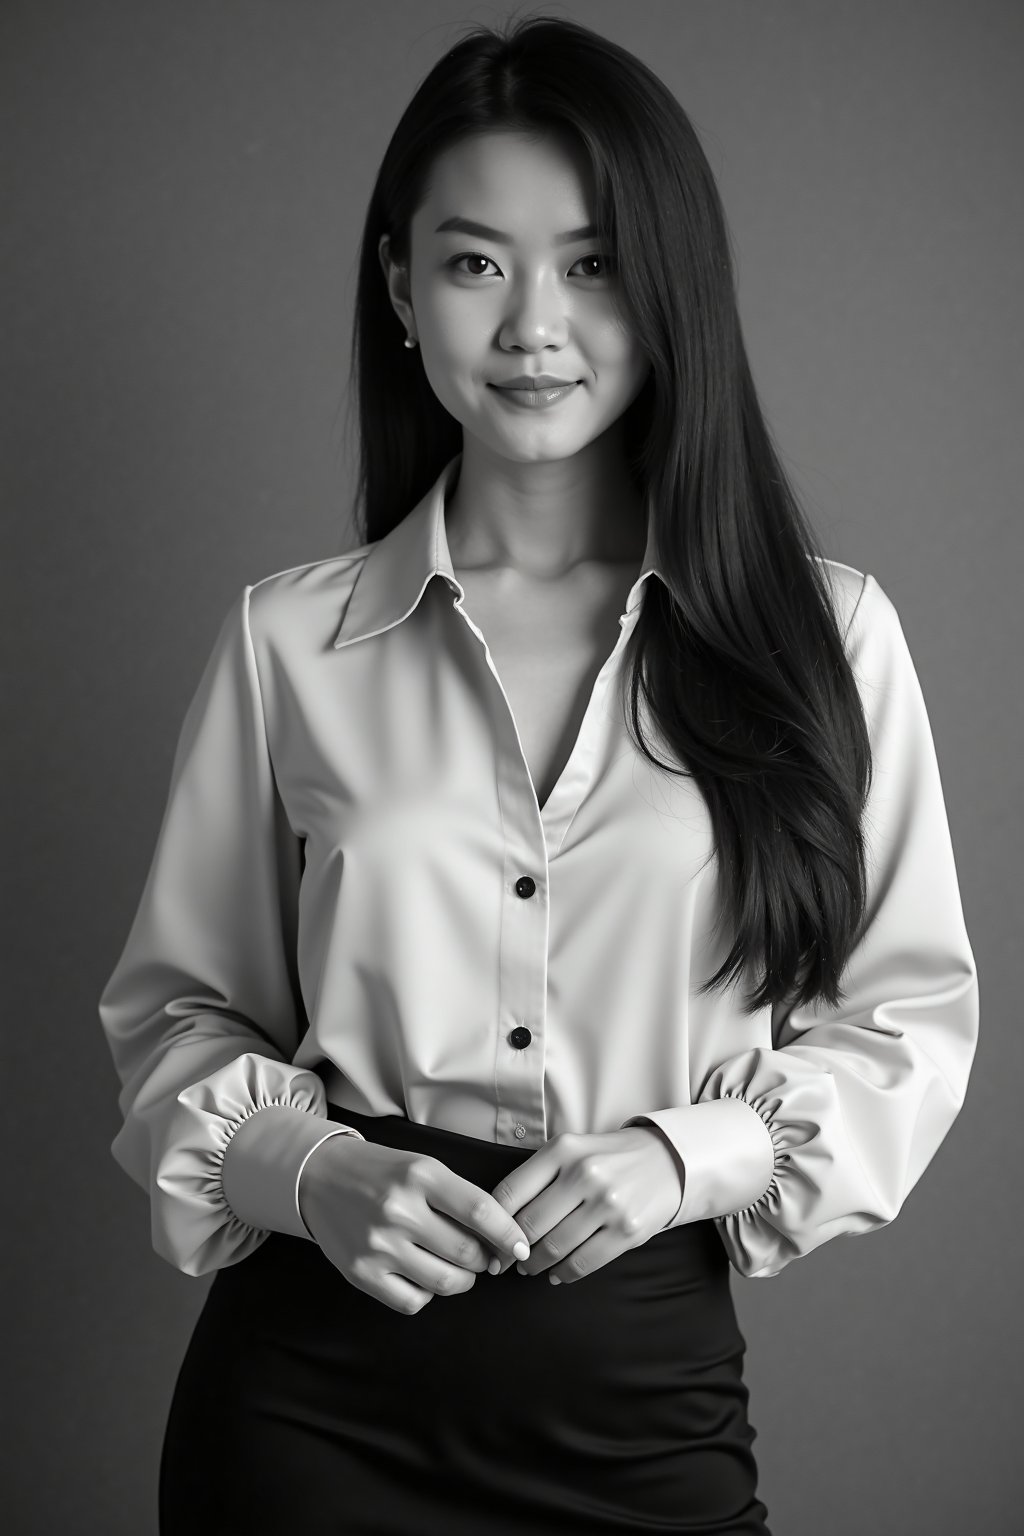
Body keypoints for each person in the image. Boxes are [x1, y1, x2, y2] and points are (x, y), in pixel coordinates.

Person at [98, 14, 979, 1536]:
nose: (534, 328)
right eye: (474, 262)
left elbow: (906, 1019)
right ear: (399, 287)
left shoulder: (826, 636)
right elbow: (176, 1017)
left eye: (593, 263)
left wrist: (684, 1157)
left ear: (670, 288)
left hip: (645, 1407)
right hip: (307, 1412)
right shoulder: (289, 641)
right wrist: (310, 1170)